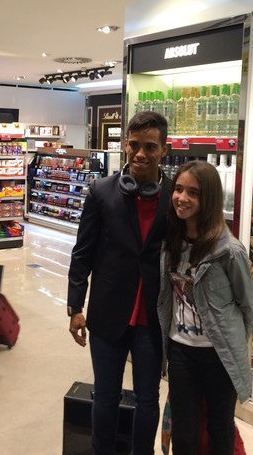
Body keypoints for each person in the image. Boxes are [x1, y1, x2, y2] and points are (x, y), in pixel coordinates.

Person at [68, 111, 172, 454]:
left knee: (148, 398)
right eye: (134, 145)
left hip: (152, 318)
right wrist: (75, 307)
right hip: (108, 311)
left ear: (164, 151)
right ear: (126, 144)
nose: (140, 154)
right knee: (107, 394)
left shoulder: (174, 197)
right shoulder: (101, 191)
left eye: (150, 147)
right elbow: (82, 252)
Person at [157, 160, 253, 455]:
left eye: (193, 193)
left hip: (218, 355)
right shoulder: (171, 241)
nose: (182, 198)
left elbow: (247, 307)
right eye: (178, 189)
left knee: (220, 429)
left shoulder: (229, 250)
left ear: (208, 198)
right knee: (185, 433)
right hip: (181, 350)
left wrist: (234, 344)